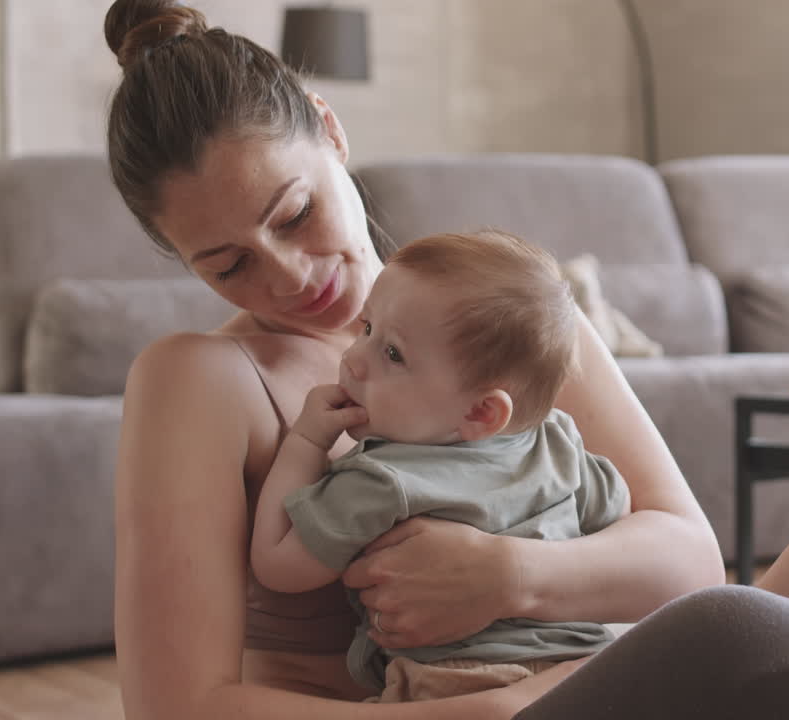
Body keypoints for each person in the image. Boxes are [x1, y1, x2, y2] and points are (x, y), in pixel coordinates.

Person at [106, 1, 789, 718]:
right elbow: (178, 707)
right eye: (227, 265)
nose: (289, 276)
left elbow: (690, 560)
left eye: (295, 214)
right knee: (741, 635)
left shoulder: (497, 315)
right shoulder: (201, 380)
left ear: (331, 133)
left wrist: (508, 577)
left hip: (578, 683)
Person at [249, 231, 630, 702]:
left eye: (392, 354)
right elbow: (615, 510)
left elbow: (278, 564)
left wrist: (306, 439)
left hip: (459, 684)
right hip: (591, 671)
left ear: (479, 413)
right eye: (367, 329)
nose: (353, 358)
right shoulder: (558, 441)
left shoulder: (382, 482)